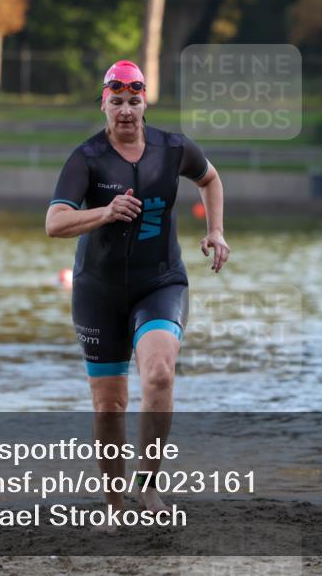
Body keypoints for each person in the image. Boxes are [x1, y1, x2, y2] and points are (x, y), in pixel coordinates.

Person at [45, 60, 229, 523]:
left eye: (134, 101)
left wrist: (217, 231)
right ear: (103, 104)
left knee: (160, 374)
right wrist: (104, 212)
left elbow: (210, 178)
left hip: (159, 282)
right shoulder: (86, 158)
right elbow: (55, 223)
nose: (125, 111)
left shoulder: (173, 148)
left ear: (144, 103)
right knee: (110, 405)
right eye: (117, 102)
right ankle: (112, 504)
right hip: (99, 291)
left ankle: (148, 488)